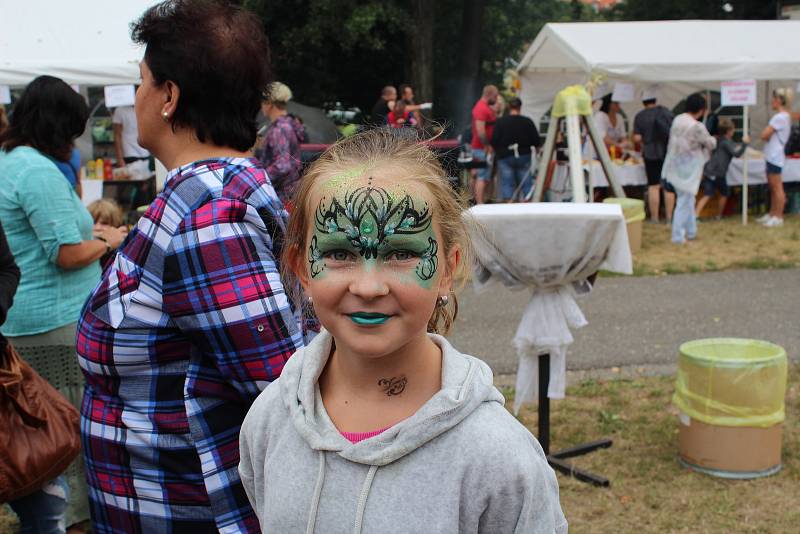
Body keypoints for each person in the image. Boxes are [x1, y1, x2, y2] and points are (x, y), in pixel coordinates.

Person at [238, 129, 567, 533]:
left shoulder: (498, 458)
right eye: (340, 253)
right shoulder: (271, 421)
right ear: (302, 268)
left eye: (402, 254)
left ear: (448, 268)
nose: (369, 287)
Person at [75, 2, 305, 532]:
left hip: (191, 510)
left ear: (169, 96)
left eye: (142, 83)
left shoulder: (208, 219)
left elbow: (280, 391)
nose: (136, 99)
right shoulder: (205, 201)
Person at [0, 75, 127, 534]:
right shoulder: (35, 171)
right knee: (65, 440)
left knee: (39, 434)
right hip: (54, 322)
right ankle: (72, 523)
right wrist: (108, 240)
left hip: (28, 315)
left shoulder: (10, 161)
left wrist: (88, 239)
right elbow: (64, 253)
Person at [661, 93, 716, 244]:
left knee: (688, 199)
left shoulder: (678, 119)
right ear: (701, 109)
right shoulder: (697, 126)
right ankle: (677, 236)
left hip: (673, 164)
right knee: (685, 201)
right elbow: (710, 143)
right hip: (688, 169)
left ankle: (691, 231)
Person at [259, 81, 306, 207]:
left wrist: (259, 178)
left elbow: (282, 165)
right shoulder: (289, 124)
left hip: (280, 197)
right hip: (290, 194)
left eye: (264, 100)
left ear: (270, 103)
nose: (261, 104)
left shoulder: (279, 129)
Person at [633, 88, 674, 223]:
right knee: (668, 186)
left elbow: (637, 138)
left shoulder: (640, 116)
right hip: (667, 152)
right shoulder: (666, 112)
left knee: (654, 186)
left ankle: (655, 218)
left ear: (643, 102)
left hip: (650, 153)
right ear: (655, 100)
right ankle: (669, 217)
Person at [696, 118, 749, 219]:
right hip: (717, 172)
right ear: (729, 131)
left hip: (711, 170)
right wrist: (744, 144)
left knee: (712, 193)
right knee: (720, 193)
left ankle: (697, 214)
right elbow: (737, 153)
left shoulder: (718, 140)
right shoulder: (726, 142)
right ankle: (717, 215)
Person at [491, 97, 541, 201]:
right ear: (520, 107)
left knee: (507, 183)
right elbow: (536, 141)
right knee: (526, 182)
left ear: (509, 107)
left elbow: (494, 140)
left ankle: (509, 206)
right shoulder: (527, 122)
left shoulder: (501, 122)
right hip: (524, 155)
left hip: (505, 156)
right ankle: (529, 205)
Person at [757, 88, 793, 227]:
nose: (771, 102)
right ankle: (773, 214)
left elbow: (764, 134)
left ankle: (778, 216)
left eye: (773, 99)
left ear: (779, 100)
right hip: (774, 155)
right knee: (773, 187)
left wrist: (767, 134)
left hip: (774, 155)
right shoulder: (785, 116)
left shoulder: (779, 117)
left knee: (777, 187)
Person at [470, 84, 499, 204]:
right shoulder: (481, 108)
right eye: (496, 96)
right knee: (482, 176)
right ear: (490, 95)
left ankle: (477, 201)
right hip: (481, 148)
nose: (496, 99)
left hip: (481, 148)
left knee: (478, 175)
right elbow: (480, 130)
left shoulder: (484, 107)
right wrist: (487, 145)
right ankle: (480, 203)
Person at [86, 199, 126, 271]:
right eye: (93, 222)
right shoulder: (80, 247)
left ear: (115, 225)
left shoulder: (120, 253)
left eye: (104, 223)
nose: (98, 227)